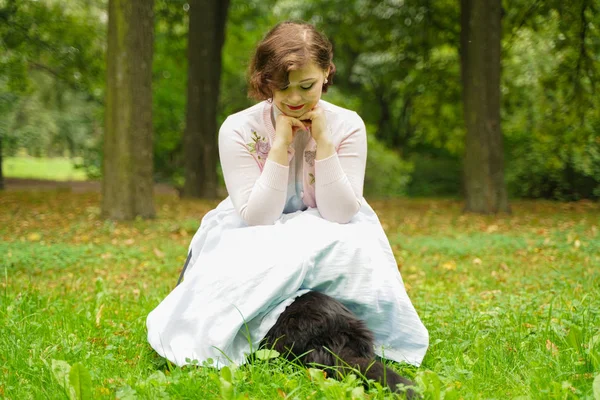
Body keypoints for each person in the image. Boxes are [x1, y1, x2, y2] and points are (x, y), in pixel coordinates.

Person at [147, 21, 428, 369]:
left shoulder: (348, 125)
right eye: (281, 87)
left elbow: (340, 214)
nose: (294, 99)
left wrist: (324, 143)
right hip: (256, 223)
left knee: (353, 245)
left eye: (306, 86)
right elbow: (258, 216)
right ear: (265, 81)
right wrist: (280, 146)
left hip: (328, 223)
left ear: (326, 73)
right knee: (253, 252)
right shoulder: (238, 128)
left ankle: (354, 335)